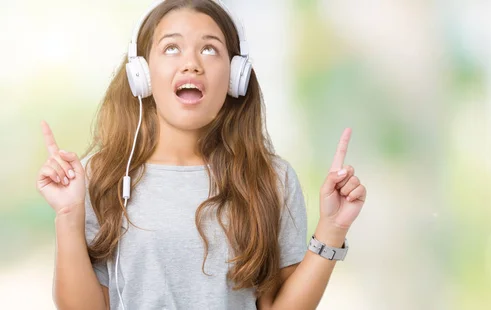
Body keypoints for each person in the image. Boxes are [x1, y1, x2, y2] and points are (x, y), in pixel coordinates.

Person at [36, 0, 367, 309]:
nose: (191, 64)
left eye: (210, 49)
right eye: (171, 48)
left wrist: (332, 229)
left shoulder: (271, 178)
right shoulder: (104, 176)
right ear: (143, 74)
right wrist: (68, 213)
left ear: (235, 76)